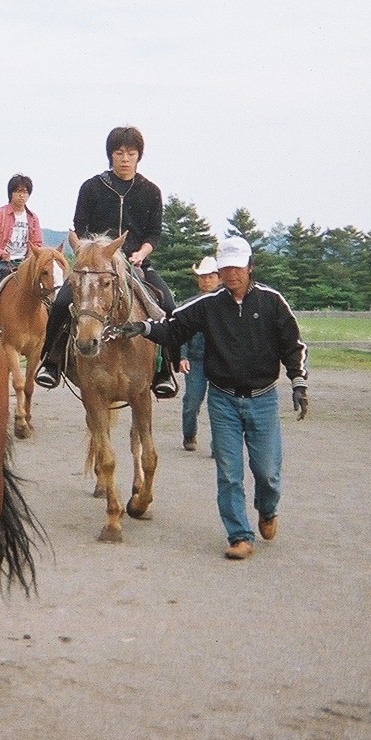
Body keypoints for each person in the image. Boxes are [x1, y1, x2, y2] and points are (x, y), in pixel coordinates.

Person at [117, 235, 309, 560]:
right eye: (225, 268)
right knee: (229, 472)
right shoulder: (208, 305)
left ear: (250, 267)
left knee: (267, 472)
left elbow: (293, 345)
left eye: (237, 268)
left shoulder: (272, 301)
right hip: (223, 400)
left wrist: (299, 381)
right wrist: (144, 328)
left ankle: (267, 509)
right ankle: (240, 535)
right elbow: (174, 327)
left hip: (263, 399)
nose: (230, 274)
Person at [35, 126, 179, 397]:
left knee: (167, 303)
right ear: (110, 155)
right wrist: (91, 253)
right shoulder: (92, 187)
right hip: (94, 266)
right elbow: (80, 226)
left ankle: (165, 371)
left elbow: (154, 233)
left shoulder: (151, 191)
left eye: (131, 153)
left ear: (139, 156)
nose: (125, 158)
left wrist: (142, 253)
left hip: (135, 263)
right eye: (119, 152)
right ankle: (50, 361)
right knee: (62, 303)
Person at [0, 173, 44, 309]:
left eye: (25, 192)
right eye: (18, 191)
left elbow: (37, 243)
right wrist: (0, 254)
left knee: (49, 292)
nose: (22, 195)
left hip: (25, 264)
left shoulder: (33, 218)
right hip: (1, 263)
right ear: (11, 193)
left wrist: (30, 257)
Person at [180, 256, 222, 451]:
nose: (206, 281)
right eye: (202, 277)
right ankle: (189, 434)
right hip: (196, 360)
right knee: (192, 400)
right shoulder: (190, 305)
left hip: (220, 361)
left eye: (210, 276)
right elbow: (181, 333)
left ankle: (218, 444)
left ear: (219, 279)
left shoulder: (227, 304)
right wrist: (182, 356)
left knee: (220, 404)